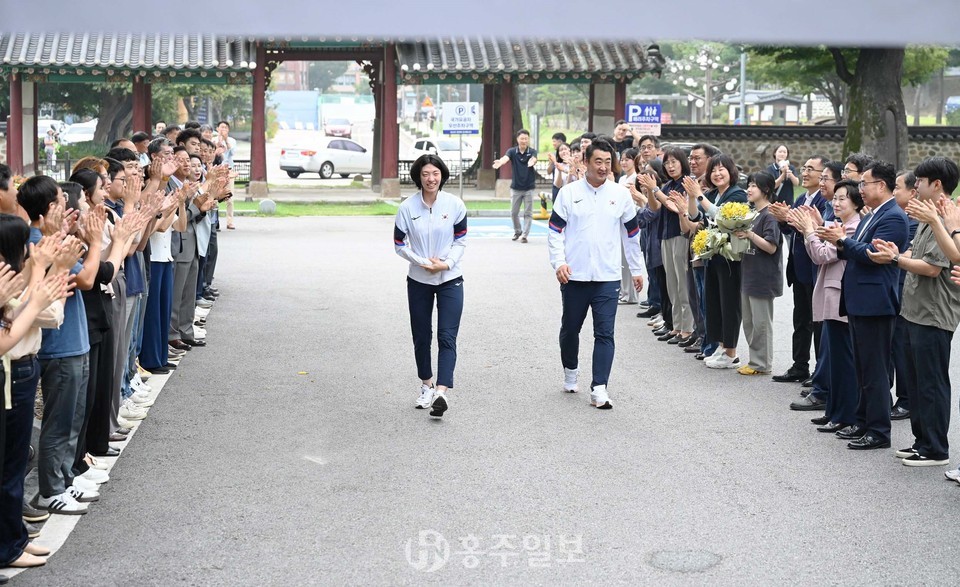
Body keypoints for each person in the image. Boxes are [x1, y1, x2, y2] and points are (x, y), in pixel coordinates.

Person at [869, 156, 960, 466]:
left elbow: (932, 267)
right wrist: (898, 253)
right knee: (918, 382)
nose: (915, 185)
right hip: (915, 310)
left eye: (920, 181)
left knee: (931, 383)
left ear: (937, 184)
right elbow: (915, 252)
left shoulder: (946, 218)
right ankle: (922, 441)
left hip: (933, 313)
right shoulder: (926, 214)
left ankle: (936, 448)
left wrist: (896, 260)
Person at [817, 161, 910, 450]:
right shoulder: (874, 213)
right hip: (859, 300)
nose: (861, 189)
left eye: (864, 184)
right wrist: (840, 242)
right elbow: (857, 250)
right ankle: (862, 421)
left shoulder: (893, 217)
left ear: (881, 185)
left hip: (876, 302)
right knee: (862, 369)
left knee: (875, 371)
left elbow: (873, 254)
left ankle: (879, 431)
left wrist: (842, 241)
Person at [548, 139, 644, 409]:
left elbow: (631, 234)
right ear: (586, 162)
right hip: (574, 276)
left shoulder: (620, 194)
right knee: (570, 329)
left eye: (607, 162)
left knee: (605, 333)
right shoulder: (568, 193)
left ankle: (599, 388)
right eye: (598, 161)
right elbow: (555, 231)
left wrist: (636, 269)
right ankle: (570, 371)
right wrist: (559, 263)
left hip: (607, 277)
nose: (603, 167)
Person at [393, 155, 466, 419]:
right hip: (419, 280)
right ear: (418, 177)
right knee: (421, 335)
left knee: (447, 336)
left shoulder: (455, 205)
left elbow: (461, 241)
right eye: (425, 174)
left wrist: (445, 265)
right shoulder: (407, 208)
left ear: (442, 175)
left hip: (450, 279)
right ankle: (427, 385)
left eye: (435, 173)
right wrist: (422, 262)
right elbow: (399, 244)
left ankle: (441, 392)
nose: (431, 179)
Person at [789, 180, 863, 431]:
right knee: (833, 359)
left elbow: (821, 255)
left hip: (839, 297)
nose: (837, 203)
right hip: (832, 295)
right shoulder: (838, 225)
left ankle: (844, 415)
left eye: (843, 198)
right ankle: (833, 411)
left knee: (842, 361)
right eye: (836, 198)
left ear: (856, 202)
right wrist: (814, 227)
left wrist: (809, 230)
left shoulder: (852, 228)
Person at [768, 156, 829, 386]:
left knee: (818, 324)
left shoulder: (824, 201)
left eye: (811, 169)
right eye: (804, 168)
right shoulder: (802, 198)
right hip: (798, 268)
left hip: (814, 268)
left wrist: (791, 218)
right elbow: (790, 229)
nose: (805, 172)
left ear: (823, 175)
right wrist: (783, 219)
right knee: (801, 320)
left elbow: (815, 230)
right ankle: (799, 365)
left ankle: (820, 371)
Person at [683, 154, 748, 368]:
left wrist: (699, 195)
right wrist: (691, 197)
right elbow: (696, 217)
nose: (717, 174)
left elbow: (725, 217)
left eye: (722, 169)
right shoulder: (712, 194)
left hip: (730, 257)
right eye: (713, 170)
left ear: (731, 171)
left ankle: (731, 352)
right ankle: (721, 347)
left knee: (729, 303)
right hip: (712, 254)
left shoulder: (737, 194)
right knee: (714, 302)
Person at [735, 172, 782, 375]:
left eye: (754, 185)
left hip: (763, 277)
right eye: (749, 185)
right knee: (749, 323)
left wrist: (750, 234)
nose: (749, 189)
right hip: (749, 274)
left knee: (761, 323)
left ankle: (761, 364)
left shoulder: (770, 215)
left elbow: (771, 247)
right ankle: (755, 360)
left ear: (766, 189)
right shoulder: (753, 213)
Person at [646, 147, 694, 345]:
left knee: (683, 284)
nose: (670, 166)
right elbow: (655, 206)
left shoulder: (686, 184)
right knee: (672, 284)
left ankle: (687, 329)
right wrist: (651, 190)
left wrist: (655, 190)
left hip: (680, 236)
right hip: (665, 237)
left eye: (674, 162)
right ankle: (676, 326)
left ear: (683, 162)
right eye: (667, 163)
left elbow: (674, 206)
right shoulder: (667, 186)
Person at [492, 130, 537, 243]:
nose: (524, 141)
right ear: (517, 139)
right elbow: (505, 158)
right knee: (513, 212)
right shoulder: (512, 151)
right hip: (516, 187)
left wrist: (532, 162)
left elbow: (534, 158)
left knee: (528, 213)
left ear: (528, 140)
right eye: (522, 138)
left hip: (529, 187)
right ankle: (518, 231)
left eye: (526, 139)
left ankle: (525, 235)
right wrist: (500, 162)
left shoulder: (532, 151)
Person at [617, 148, 640, 305]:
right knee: (622, 258)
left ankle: (631, 294)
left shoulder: (637, 178)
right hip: (620, 221)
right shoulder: (622, 179)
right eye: (622, 159)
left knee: (630, 255)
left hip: (632, 220)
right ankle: (624, 291)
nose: (624, 162)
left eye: (627, 159)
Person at [214, 121, 237, 229]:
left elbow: (232, 153)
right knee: (214, 196)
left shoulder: (232, 140)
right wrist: (218, 142)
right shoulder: (213, 139)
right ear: (217, 128)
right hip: (217, 171)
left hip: (228, 170)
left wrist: (226, 140)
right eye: (221, 127)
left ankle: (230, 221)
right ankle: (215, 222)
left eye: (226, 127)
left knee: (230, 197)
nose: (223, 129)